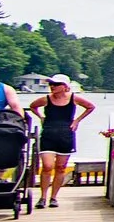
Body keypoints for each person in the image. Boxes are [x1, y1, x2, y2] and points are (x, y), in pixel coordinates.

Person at [31, 74, 95, 208]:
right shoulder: (46, 99)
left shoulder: (73, 98)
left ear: (64, 87)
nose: (52, 87)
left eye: (55, 84)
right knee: (47, 166)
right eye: (51, 84)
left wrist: (77, 120)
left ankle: (53, 197)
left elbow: (90, 107)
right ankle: (42, 197)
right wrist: (41, 117)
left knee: (60, 168)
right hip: (48, 134)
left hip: (66, 134)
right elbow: (33, 106)